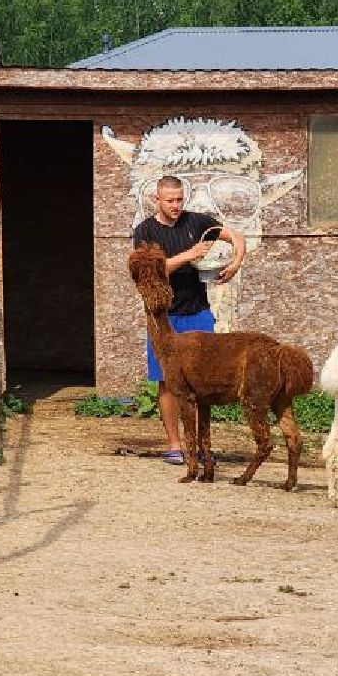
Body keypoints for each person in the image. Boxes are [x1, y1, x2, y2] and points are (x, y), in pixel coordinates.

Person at [132, 174, 248, 465]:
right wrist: (191, 254)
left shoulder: (196, 222)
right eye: (170, 200)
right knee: (167, 381)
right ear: (156, 200)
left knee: (202, 379)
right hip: (164, 318)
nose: (176, 205)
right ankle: (174, 445)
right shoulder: (145, 231)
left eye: (179, 199)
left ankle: (200, 445)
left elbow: (237, 236)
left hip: (198, 312)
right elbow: (153, 270)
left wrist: (235, 262)